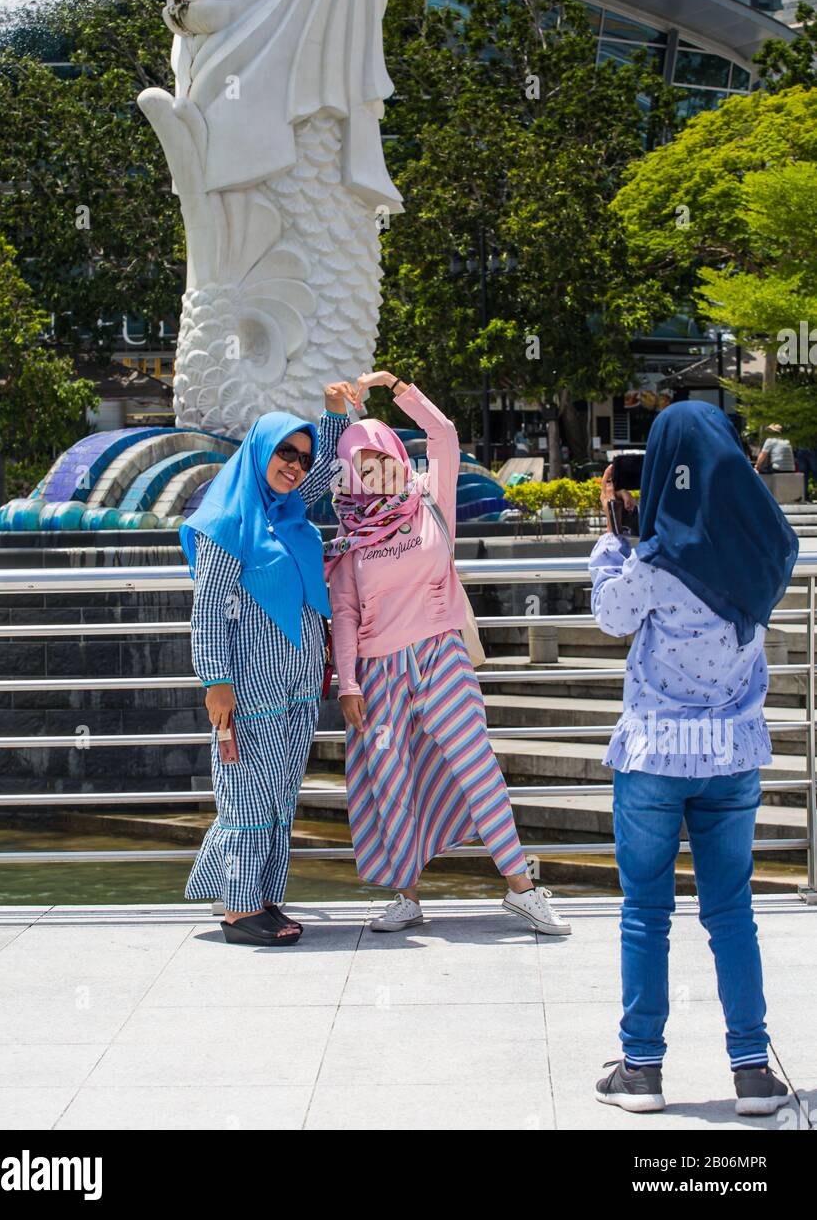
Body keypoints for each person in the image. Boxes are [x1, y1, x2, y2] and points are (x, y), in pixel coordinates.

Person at [590, 400, 798, 1115]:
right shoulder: (765, 553)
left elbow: (611, 616)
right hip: (732, 753)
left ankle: (641, 1071)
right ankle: (751, 1073)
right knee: (731, 910)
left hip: (655, 755)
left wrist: (613, 538)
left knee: (647, 911)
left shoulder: (655, 559)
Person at [325, 368, 571, 935]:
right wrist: (348, 684)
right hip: (377, 672)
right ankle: (406, 894)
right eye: (358, 460)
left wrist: (397, 388)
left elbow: (445, 436)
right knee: (391, 777)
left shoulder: (429, 502)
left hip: (441, 657)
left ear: (393, 456)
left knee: (477, 766)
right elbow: (345, 615)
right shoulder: (347, 537)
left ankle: (522, 890)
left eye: (379, 455)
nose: (371, 469)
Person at [180, 380, 359, 946]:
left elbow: (328, 472)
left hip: (298, 684)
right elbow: (208, 612)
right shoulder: (227, 522)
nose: (295, 466)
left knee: (279, 793)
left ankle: (260, 897)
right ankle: (238, 910)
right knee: (247, 793)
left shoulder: (286, 512)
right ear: (260, 451)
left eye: (301, 457)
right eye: (285, 452)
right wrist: (215, 683)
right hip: (249, 687)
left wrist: (333, 415)